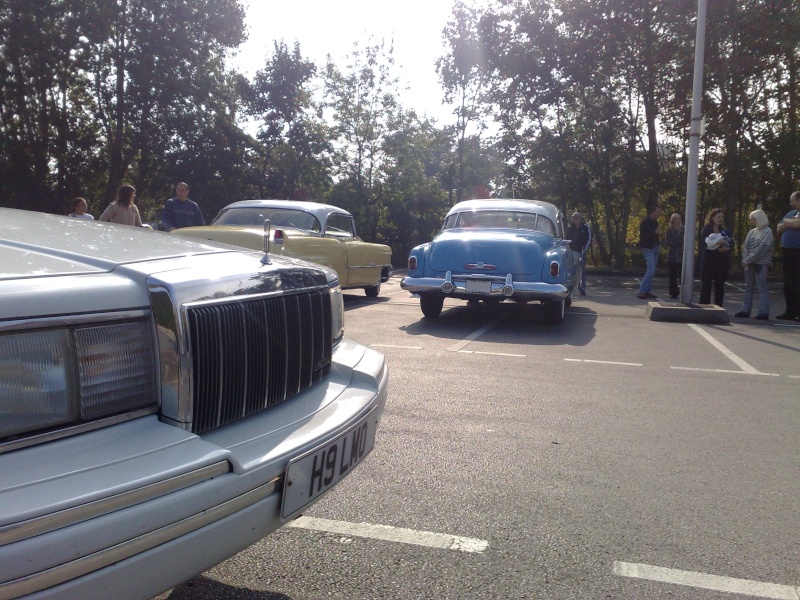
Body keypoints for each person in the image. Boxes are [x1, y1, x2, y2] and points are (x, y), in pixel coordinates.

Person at [735, 209, 774, 320]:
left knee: (762, 288)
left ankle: (763, 312)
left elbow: (762, 249)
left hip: (761, 264)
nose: (751, 221)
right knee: (748, 288)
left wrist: (748, 260)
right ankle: (745, 310)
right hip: (749, 264)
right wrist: (745, 259)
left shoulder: (768, 232)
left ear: (759, 219)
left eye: (753, 219)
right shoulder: (752, 232)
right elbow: (746, 247)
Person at [698, 208, 733, 307]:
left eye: (722, 217)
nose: (720, 219)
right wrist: (717, 244)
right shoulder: (707, 228)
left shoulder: (725, 231)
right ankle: (704, 306)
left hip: (721, 261)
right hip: (708, 260)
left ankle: (718, 306)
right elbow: (704, 243)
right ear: (712, 218)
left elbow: (730, 243)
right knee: (706, 285)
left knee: (719, 285)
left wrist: (727, 248)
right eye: (718, 217)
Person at [775, 191, 800, 320]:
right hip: (787, 251)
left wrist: (789, 223)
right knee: (788, 283)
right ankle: (790, 311)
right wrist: (788, 221)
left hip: (798, 251)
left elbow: (797, 224)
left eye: (793, 201)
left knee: (797, 282)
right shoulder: (791, 214)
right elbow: (779, 228)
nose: (791, 204)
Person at [636, 204, 662, 299]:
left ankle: (647, 290)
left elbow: (655, 236)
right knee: (651, 269)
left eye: (660, 212)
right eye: (658, 212)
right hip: (648, 248)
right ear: (652, 212)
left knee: (653, 270)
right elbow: (644, 237)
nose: (659, 214)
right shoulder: (645, 223)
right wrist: (654, 232)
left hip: (655, 247)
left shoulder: (656, 222)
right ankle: (641, 291)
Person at [566, 211, 591, 295]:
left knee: (581, 271)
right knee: (570, 269)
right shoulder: (570, 229)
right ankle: (570, 288)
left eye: (576, 218)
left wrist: (585, 249)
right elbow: (566, 239)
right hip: (571, 251)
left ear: (580, 219)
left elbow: (589, 239)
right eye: (573, 218)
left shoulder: (585, 228)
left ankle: (582, 288)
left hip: (581, 252)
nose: (574, 220)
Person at [663, 213, 684, 299]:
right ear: (672, 220)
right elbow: (668, 243)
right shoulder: (669, 230)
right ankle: (674, 292)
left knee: (682, 275)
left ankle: (686, 291)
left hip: (682, 256)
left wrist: (678, 243)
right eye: (675, 219)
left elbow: (685, 241)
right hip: (672, 256)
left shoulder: (684, 229)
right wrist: (678, 242)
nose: (677, 220)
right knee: (672, 276)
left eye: (679, 218)